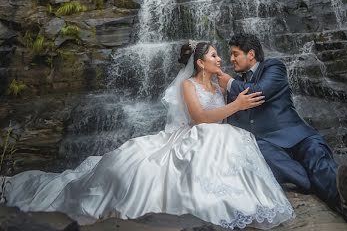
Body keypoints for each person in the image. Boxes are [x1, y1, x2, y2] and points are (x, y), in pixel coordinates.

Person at [1, 41, 294, 230]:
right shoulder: (188, 86)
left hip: (217, 133)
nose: (221, 59)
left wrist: (234, 102)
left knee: (231, 140)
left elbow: (225, 113)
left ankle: (238, 203)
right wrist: (236, 104)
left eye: (222, 54)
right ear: (201, 62)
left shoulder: (218, 86)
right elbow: (200, 118)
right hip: (196, 133)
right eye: (215, 55)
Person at [217, 33, 347, 223]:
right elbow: (234, 120)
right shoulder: (235, 85)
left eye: (235, 54)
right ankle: (336, 197)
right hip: (265, 143)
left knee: (317, 155)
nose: (231, 59)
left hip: (297, 135)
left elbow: (259, 93)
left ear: (250, 54)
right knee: (256, 153)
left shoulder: (273, 67)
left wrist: (228, 82)